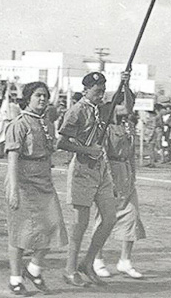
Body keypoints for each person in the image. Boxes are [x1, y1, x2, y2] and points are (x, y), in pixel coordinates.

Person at [56, 71, 126, 287]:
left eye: (103, 91)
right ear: (85, 90)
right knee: (80, 223)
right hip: (82, 170)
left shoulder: (103, 109)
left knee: (110, 217)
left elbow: (125, 107)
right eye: (97, 91)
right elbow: (62, 142)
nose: (101, 95)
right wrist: (87, 149)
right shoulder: (76, 111)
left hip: (101, 170)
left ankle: (87, 262)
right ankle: (69, 270)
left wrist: (125, 82)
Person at [5, 82, 68, 295]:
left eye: (45, 96)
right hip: (23, 181)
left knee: (53, 226)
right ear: (28, 98)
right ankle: (15, 278)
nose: (42, 99)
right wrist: (13, 188)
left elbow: (51, 152)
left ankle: (33, 269)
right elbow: (12, 158)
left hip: (43, 180)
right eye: (38, 95)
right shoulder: (19, 124)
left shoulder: (47, 123)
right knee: (21, 232)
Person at [93, 83, 145, 280]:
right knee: (104, 218)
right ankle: (97, 259)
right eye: (123, 102)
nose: (129, 108)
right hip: (109, 173)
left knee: (132, 217)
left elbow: (131, 154)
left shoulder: (128, 125)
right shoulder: (105, 126)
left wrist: (133, 175)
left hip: (126, 173)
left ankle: (125, 260)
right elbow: (104, 154)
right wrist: (108, 180)